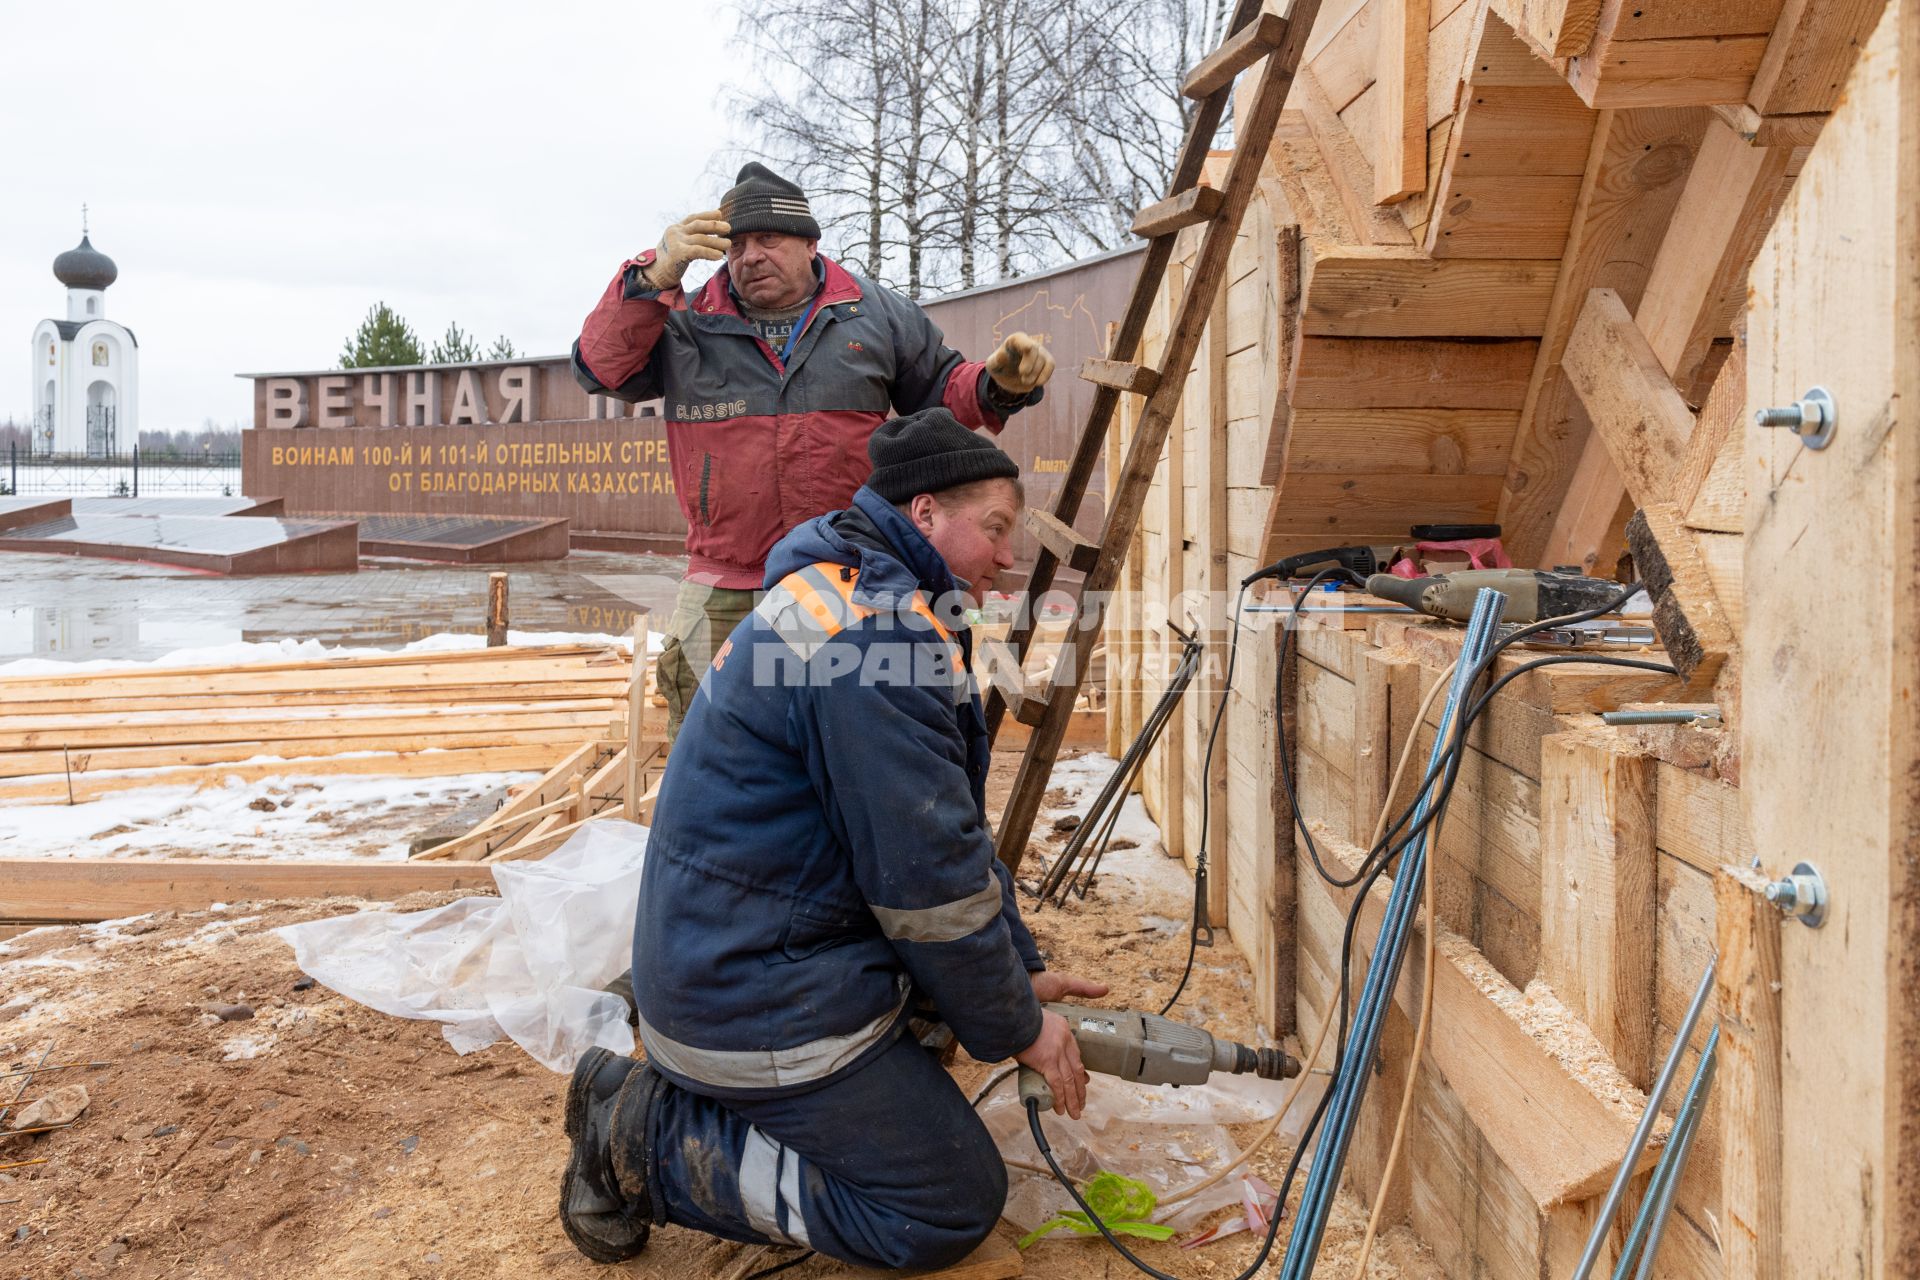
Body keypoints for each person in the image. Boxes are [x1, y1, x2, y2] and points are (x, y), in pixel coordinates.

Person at [557, 408, 1106, 1270]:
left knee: (946, 1013)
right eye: (995, 529)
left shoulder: (858, 591)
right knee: (946, 1206)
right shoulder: (873, 638)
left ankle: (766, 1095)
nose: (1008, 556)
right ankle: (642, 1132)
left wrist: (1017, 965)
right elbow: (927, 885)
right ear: (924, 514)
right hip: (753, 994)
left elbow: (944, 830)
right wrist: (1018, 1025)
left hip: (734, 952)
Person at [573, 162, 1057, 739]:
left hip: (847, 579)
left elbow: (944, 395)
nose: (750, 255)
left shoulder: (875, 314)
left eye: (769, 239)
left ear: (810, 243)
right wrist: (650, 278)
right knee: (716, 751)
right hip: (726, 586)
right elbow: (601, 369)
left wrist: (997, 384)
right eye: (736, 245)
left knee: (849, 744)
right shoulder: (685, 324)